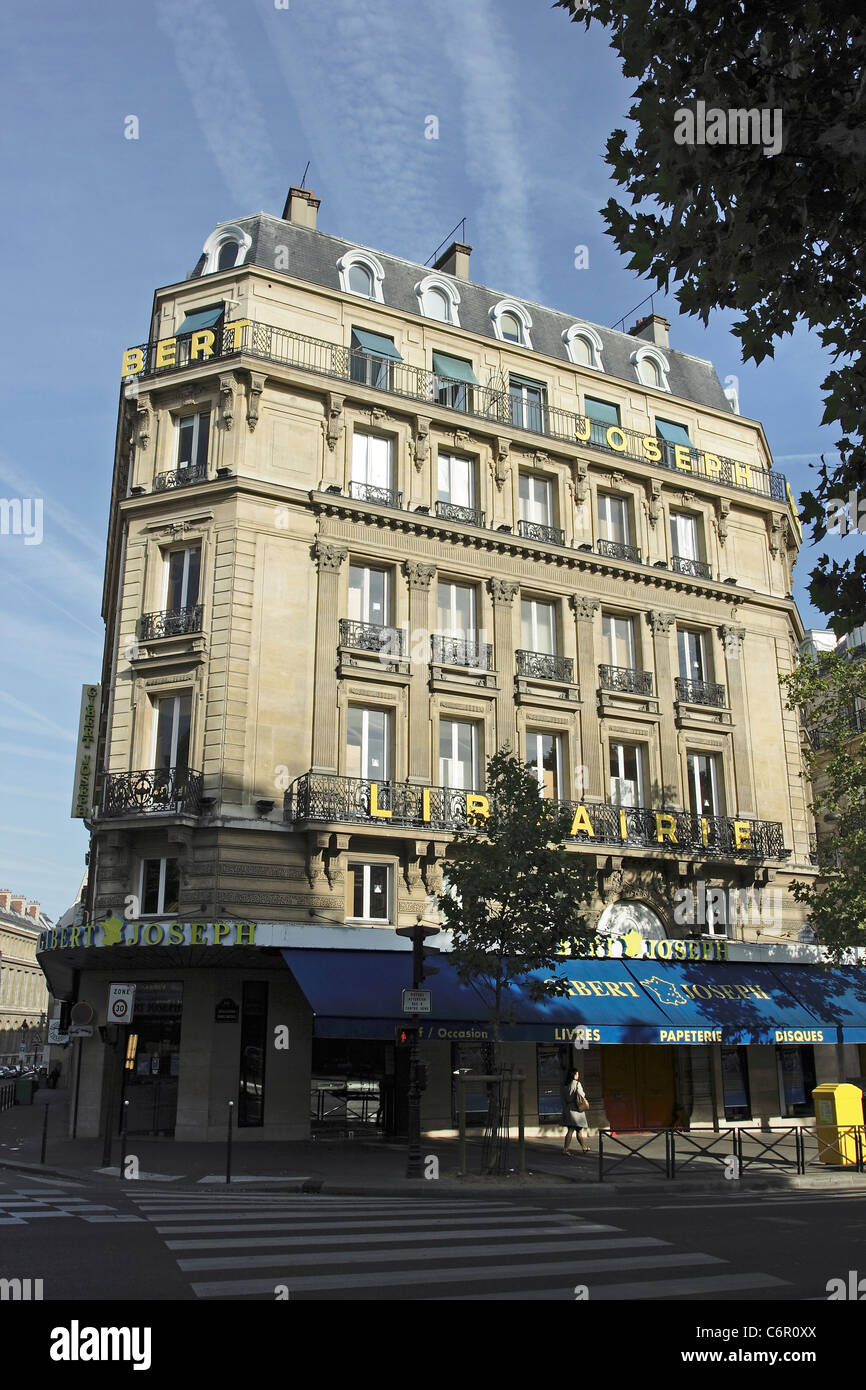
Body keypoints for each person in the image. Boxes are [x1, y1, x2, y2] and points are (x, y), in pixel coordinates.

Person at [562, 1068, 591, 1155]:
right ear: (574, 1075)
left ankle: (584, 1147)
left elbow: (564, 1097)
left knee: (576, 1130)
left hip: (569, 1108)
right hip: (576, 1109)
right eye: (577, 1074)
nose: (578, 1075)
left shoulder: (566, 1085)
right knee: (573, 1130)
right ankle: (565, 1149)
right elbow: (581, 1095)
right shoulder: (577, 1084)